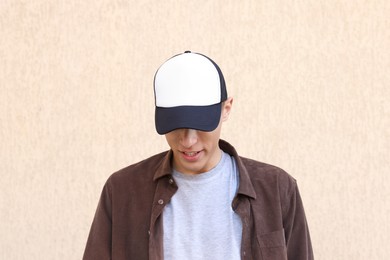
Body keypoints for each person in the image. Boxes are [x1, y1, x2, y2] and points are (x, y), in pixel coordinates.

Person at [83, 51, 314, 260]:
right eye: (176, 125)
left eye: (201, 124)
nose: (188, 141)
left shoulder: (276, 188)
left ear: (226, 109)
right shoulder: (123, 191)